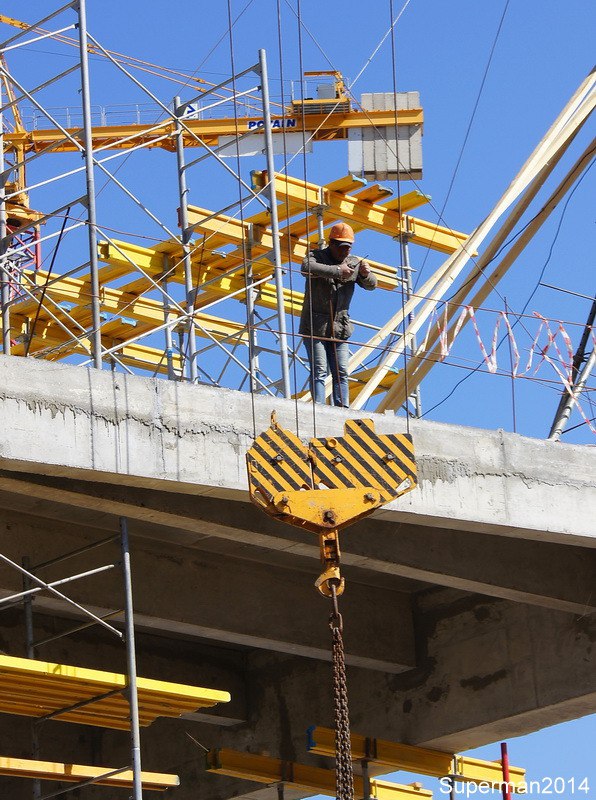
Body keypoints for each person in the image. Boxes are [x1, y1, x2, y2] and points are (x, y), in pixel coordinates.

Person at [299, 222, 377, 407]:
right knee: (320, 369)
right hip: (315, 325)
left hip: (339, 327)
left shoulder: (353, 262)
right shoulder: (316, 256)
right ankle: (318, 406)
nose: (345, 252)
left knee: (341, 371)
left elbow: (372, 285)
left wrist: (366, 274)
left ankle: (343, 407)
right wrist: (336, 271)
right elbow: (306, 267)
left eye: (348, 248)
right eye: (342, 248)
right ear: (331, 244)